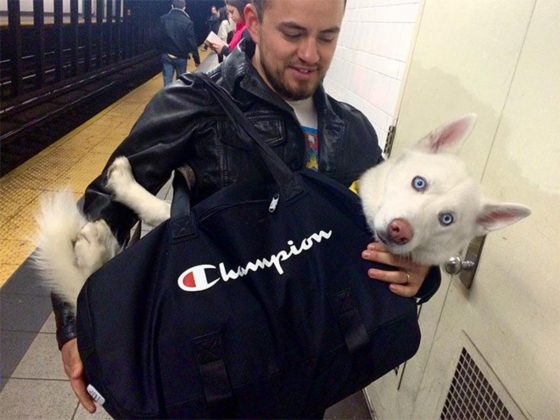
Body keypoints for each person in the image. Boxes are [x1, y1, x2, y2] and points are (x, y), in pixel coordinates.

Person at [53, 0, 441, 415]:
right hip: (214, 370)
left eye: (327, 36)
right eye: (293, 34)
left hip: (304, 372)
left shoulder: (352, 130)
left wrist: (422, 271)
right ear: (253, 22)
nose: (311, 54)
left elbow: (388, 226)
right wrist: (74, 329)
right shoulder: (194, 103)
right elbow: (102, 210)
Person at [154, 0, 200, 86]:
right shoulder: (187, 22)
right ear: (184, 8)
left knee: (167, 82)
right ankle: (178, 98)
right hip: (181, 57)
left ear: (172, 6)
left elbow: (157, 37)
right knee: (181, 83)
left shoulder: (163, 19)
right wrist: (196, 59)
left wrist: (161, 50)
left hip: (167, 55)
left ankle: (167, 98)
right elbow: (192, 42)